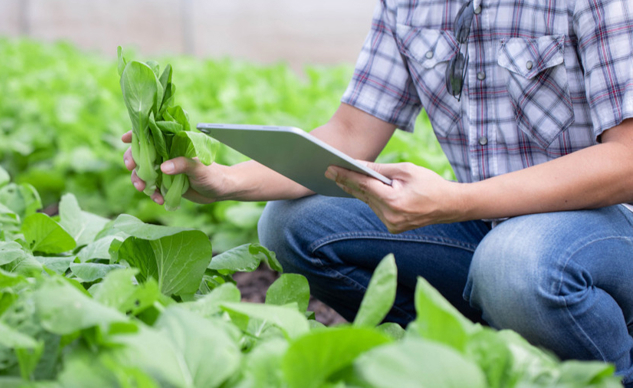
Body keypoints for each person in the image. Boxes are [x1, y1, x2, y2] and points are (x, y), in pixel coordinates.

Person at [122, 0, 633, 384]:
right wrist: (226, 181)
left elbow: (627, 160)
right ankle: (469, 358)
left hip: (606, 233)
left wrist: (458, 201)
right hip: (491, 229)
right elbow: (349, 135)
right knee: (294, 226)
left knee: (514, 262)